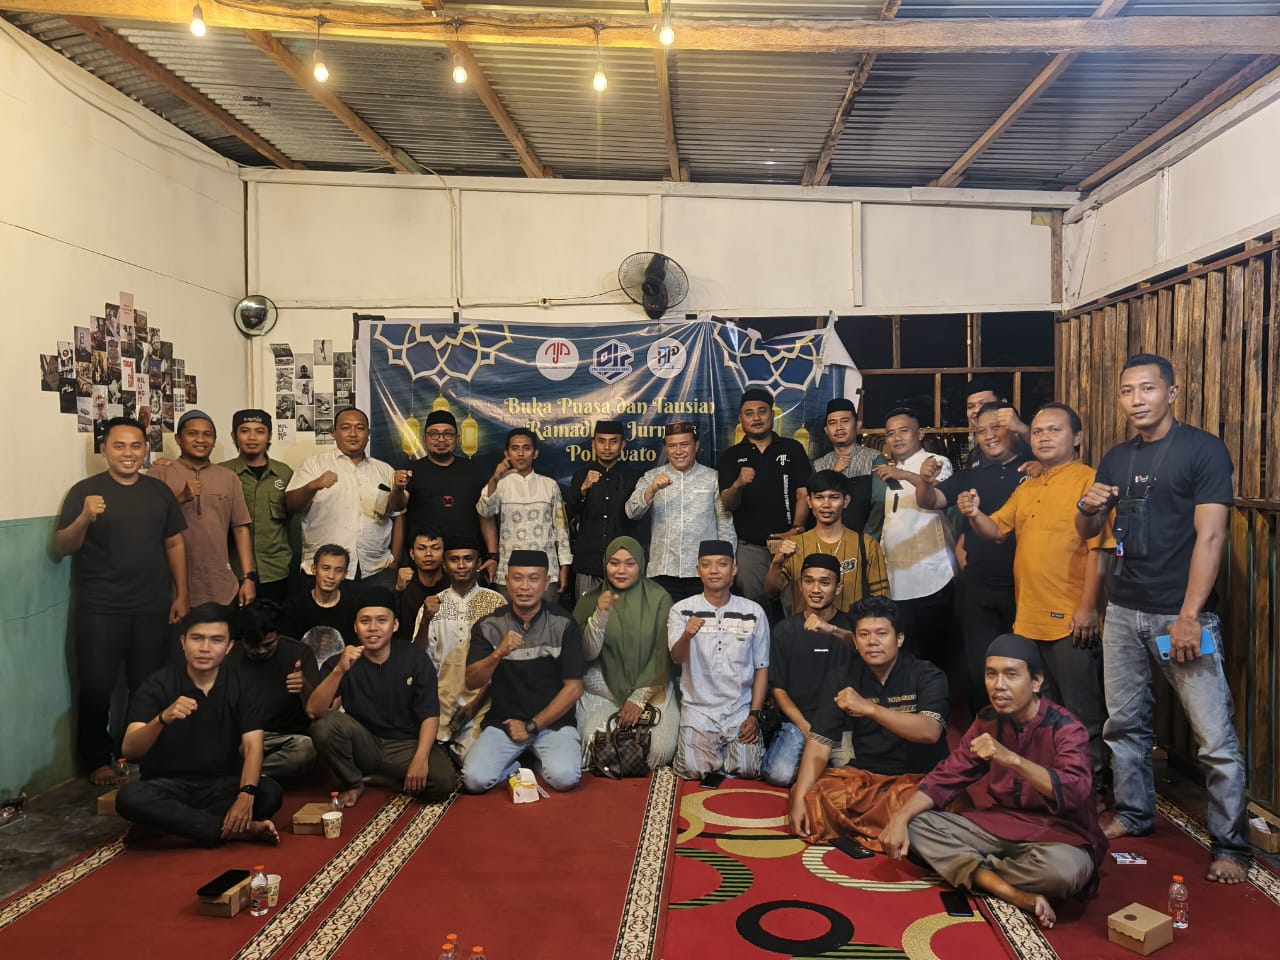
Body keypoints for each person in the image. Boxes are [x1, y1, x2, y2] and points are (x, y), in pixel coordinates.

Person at [1078, 353, 1250, 883]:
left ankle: (1232, 845)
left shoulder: (1203, 450)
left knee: (1213, 737)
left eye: (1148, 389)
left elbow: (1211, 537)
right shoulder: (1116, 457)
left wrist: (1190, 615)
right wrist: (1087, 507)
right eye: (1128, 391)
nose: (1137, 400)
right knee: (1124, 724)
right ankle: (1134, 813)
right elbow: (1089, 534)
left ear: (1172, 393)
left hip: (1182, 614)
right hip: (1123, 609)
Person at [879, 635, 1107, 931]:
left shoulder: (1066, 728)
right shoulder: (988, 719)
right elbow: (946, 777)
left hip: (1058, 835)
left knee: (1065, 873)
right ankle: (1007, 890)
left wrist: (1012, 759)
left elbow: (1076, 790)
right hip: (1000, 826)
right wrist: (900, 817)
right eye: (991, 674)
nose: (999, 685)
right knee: (915, 825)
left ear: (1036, 681)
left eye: (1011, 675)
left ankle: (970, 868)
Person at [959, 402, 1110, 779]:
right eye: (1038, 431)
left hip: (1070, 620)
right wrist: (974, 513)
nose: (1044, 437)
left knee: (1081, 713)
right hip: (1028, 617)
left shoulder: (1089, 482)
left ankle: (1089, 790)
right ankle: (1051, 785)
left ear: (1077, 438)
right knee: (1042, 713)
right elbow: (995, 530)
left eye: (1054, 430)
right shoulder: (1028, 485)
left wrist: (1088, 608)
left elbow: (1100, 551)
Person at [55, 417, 188, 786]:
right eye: (119, 445)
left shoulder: (158, 492)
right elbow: (62, 546)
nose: (128, 453)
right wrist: (84, 517)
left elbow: (174, 543)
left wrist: (182, 593)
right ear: (104, 449)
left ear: (145, 450)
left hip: (152, 605)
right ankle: (97, 759)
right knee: (96, 686)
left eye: (135, 446)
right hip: (101, 607)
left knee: (147, 684)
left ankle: (139, 753)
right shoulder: (85, 492)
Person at [891, 402, 1032, 713]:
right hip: (978, 587)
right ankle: (986, 731)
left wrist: (1024, 432)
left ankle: (1027, 735)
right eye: (981, 431)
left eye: (996, 427)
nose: (988, 436)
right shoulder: (972, 475)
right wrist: (925, 482)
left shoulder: (1034, 468)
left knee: (1025, 665)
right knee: (980, 667)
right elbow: (930, 501)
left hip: (1027, 587)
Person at [116, 603, 283, 845]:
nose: (205, 648)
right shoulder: (157, 685)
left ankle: (170, 825)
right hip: (167, 785)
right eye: (197, 638)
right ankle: (233, 829)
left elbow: (253, 746)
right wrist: (161, 719)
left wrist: (245, 795)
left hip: (220, 784)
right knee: (129, 798)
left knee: (269, 793)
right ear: (183, 642)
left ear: (229, 647)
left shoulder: (242, 684)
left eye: (216, 640)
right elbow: (130, 749)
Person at [789, 595, 949, 845]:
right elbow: (820, 742)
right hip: (867, 778)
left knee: (929, 808)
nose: (872, 642)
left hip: (918, 780)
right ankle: (889, 830)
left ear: (899, 638)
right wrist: (800, 798)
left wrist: (870, 709)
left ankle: (889, 827)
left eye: (882, 634)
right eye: (864, 635)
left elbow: (930, 731)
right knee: (814, 795)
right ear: (855, 641)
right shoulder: (842, 677)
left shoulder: (927, 675)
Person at [307, 588, 457, 806]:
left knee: (444, 782)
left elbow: (430, 714)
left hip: (406, 744)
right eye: (365, 621)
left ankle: (383, 779)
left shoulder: (414, 658)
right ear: (355, 626)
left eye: (381, 620)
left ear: (394, 625)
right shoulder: (342, 661)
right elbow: (314, 711)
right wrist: (339, 670)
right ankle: (354, 782)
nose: (373, 628)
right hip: (364, 742)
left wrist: (420, 758)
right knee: (324, 725)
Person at [461, 550, 585, 792]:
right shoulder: (489, 625)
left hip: (552, 723)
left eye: (533, 578)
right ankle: (520, 761)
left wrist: (531, 727)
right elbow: (472, 681)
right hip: (505, 723)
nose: (525, 586)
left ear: (546, 582)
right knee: (474, 780)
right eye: (517, 578)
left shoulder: (563, 623)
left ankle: (534, 757)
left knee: (565, 778)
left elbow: (574, 688)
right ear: (507, 581)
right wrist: (498, 653)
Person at [573, 537, 679, 771]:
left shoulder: (659, 599)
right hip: (603, 688)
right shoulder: (590, 600)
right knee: (593, 744)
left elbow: (663, 654)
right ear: (605, 564)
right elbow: (586, 655)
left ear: (641, 564)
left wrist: (638, 697)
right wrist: (600, 616)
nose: (621, 570)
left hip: (652, 686)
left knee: (659, 751)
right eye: (614, 563)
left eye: (630, 564)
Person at [668, 541, 769, 780]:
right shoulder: (682, 610)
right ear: (698, 570)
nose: (714, 570)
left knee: (748, 770)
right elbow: (676, 657)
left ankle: (723, 754)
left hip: (739, 711)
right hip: (698, 711)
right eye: (706, 565)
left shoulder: (753, 612)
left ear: (734, 569)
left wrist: (754, 715)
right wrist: (686, 636)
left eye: (722, 564)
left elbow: (762, 667)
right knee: (693, 771)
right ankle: (717, 754)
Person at [762, 554, 857, 786]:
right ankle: (815, 766)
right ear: (800, 585)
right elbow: (778, 688)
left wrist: (831, 629)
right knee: (778, 774)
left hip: (841, 726)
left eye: (824, 582)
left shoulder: (850, 627)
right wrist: (807, 729)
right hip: (799, 724)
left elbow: (863, 647)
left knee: (853, 777)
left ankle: (815, 768)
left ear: (837, 588)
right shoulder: (785, 630)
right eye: (809, 581)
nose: (816, 589)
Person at [871, 408, 957, 668]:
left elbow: (936, 495)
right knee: (905, 657)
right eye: (890, 433)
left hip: (932, 577)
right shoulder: (892, 469)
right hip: (896, 578)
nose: (896, 438)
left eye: (903, 431)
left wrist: (906, 476)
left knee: (934, 658)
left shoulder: (936, 461)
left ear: (919, 434)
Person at [286, 407, 406, 590]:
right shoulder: (314, 465)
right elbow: (291, 505)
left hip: (376, 569)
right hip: (326, 572)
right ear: (334, 433)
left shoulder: (384, 470)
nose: (353, 434)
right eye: (345, 427)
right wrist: (314, 485)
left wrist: (394, 562)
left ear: (368, 434)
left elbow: (398, 516)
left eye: (360, 428)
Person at [149, 410, 256, 607]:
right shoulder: (160, 472)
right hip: (170, 586)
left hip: (220, 586)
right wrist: (180, 498)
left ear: (214, 441)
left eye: (208, 434)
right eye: (192, 433)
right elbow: (148, 522)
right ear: (178, 439)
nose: (201, 440)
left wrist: (249, 578)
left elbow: (240, 528)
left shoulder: (229, 477)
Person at [718, 389, 812, 610]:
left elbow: (803, 494)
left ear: (772, 414)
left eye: (762, 411)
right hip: (751, 548)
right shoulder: (731, 455)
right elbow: (728, 504)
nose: (756, 418)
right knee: (755, 612)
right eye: (749, 413)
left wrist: (796, 529)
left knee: (796, 608)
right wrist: (738, 484)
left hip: (791, 543)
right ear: (741, 419)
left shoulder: (792, 448)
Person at [627, 422, 736, 602]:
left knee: (701, 620)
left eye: (685, 444)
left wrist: (728, 566)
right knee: (664, 620)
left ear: (696, 446)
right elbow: (632, 512)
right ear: (665, 449)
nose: (678, 451)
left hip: (703, 572)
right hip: (662, 571)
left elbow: (725, 525)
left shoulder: (713, 478)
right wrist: (651, 490)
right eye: (672, 446)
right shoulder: (651, 477)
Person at [420, 536, 505, 761]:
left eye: (468, 559)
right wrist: (426, 620)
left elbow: (503, 663)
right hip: (440, 699)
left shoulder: (496, 603)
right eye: (454, 559)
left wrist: (475, 705)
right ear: (444, 565)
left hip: (482, 701)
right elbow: (419, 658)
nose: (461, 565)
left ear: (479, 564)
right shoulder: (433, 603)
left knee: (471, 760)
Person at [764, 470, 889, 615]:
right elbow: (771, 592)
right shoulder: (793, 545)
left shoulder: (867, 545)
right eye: (819, 497)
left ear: (846, 501)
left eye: (834, 497)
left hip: (851, 627)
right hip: (806, 627)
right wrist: (776, 564)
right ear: (809, 501)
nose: (826, 504)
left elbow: (881, 600)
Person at [227, 600, 318, 780]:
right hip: (244, 737)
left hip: (285, 739)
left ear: (278, 635)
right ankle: (253, 773)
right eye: (253, 646)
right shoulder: (230, 656)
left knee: (306, 750)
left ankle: (244, 773)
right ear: (243, 639)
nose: (261, 651)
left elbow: (316, 711)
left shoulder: (300, 653)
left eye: (268, 645)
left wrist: (304, 686)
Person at [476, 428, 573, 599]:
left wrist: (565, 566)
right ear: (507, 453)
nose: (521, 453)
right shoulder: (499, 484)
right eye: (515, 448)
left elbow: (561, 528)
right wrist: (495, 478)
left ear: (535, 453)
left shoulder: (549, 485)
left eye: (526, 448)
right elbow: (485, 511)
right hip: (508, 570)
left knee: (547, 615)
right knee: (508, 616)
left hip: (546, 571)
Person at [402, 410, 496, 581]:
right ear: (424, 439)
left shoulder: (474, 470)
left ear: (457, 439)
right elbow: (398, 510)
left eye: (448, 434)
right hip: (426, 561)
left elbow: (486, 515)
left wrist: (492, 555)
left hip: (465, 561)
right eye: (434, 434)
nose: (441, 439)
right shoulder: (412, 471)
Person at [222, 409, 294, 603]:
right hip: (233, 571)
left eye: (260, 431)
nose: (252, 437)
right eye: (245, 430)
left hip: (276, 570)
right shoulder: (222, 473)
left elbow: (291, 522)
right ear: (234, 436)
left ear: (269, 436)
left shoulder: (284, 473)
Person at [566, 420, 643, 598]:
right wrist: (584, 488)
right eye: (601, 441)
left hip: (624, 565)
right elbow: (570, 512)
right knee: (587, 614)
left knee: (624, 614)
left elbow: (639, 519)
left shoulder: (634, 477)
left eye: (613, 441)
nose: (607, 447)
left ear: (622, 444)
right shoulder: (581, 475)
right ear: (594, 444)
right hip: (589, 563)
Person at [812, 397, 883, 535]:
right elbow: (815, 506)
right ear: (826, 430)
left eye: (845, 421)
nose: (839, 427)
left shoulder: (874, 458)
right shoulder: (818, 465)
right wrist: (833, 474)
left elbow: (880, 503)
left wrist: (868, 539)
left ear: (858, 425)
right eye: (833, 423)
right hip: (828, 539)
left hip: (865, 539)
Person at [279, 544, 360, 659]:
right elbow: (287, 649)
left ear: (345, 574)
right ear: (314, 569)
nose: (331, 576)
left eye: (338, 570)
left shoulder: (353, 606)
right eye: (326, 568)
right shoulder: (295, 606)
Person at [394, 528, 447, 641]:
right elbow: (393, 624)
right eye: (422, 548)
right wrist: (398, 590)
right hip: (409, 648)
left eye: (435, 548)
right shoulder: (404, 584)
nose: (428, 554)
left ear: (444, 553)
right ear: (412, 554)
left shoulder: (454, 584)